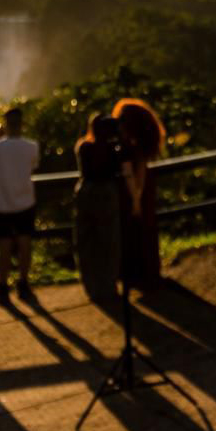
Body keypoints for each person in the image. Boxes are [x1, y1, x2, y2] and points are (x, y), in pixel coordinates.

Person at [0, 108, 40, 304]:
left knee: (4, 247)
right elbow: (33, 166)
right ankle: (23, 284)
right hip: (25, 201)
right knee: (25, 244)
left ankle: (2, 286)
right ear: (22, 124)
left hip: (1, 204)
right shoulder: (31, 146)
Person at [113, 98, 165, 290]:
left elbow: (131, 175)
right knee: (145, 232)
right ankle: (147, 273)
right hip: (141, 192)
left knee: (133, 233)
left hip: (131, 194)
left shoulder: (127, 146)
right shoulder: (139, 146)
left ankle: (136, 276)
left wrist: (136, 200)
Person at [73, 114, 123, 304]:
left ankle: (93, 287)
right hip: (106, 194)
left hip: (85, 193)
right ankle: (108, 286)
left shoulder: (84, 147)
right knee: (109, 242)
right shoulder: (112, 149)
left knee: (87, 243)